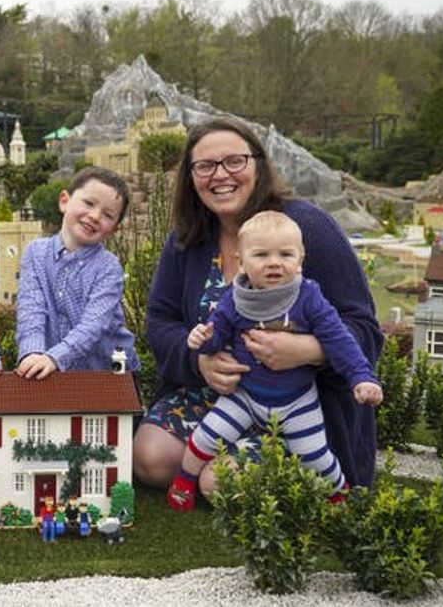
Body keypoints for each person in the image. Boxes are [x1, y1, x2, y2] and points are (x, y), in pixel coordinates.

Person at [134, 116, 382, 499]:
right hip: (221, 398)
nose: (221, 175)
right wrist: (199, 361)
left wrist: (311, 351)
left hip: (299, 403)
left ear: (258, 165)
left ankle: (301, 475)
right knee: (151, 460)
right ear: (191, 176)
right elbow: (161, 321)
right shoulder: (187, 240)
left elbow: (364, 326)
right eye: (205, 166)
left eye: (235, 161)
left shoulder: (305, 228)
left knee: (218, 481)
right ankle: (228, 468)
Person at [167, 210, 383, 511]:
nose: (274, 262)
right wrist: (202, 341)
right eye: (261, 255)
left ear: (300, 261)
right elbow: (219, 333)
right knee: (205, 437)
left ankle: (339, 494)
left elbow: (339, 340)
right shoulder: (236, 297)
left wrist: (361, 376)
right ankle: (184, 481)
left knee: (316, 456)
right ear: (241, 262)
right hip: (245, 395)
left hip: (296, 401)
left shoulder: (308, 297)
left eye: (285, 254)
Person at [15, 166, 139, 380]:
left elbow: (93, 325)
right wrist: (32, 353)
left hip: (108, 373)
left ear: (115, 229)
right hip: (52, 373)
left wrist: (55, 358)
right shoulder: (35, 253)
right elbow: (31, 309)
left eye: (108, 215)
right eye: (89, 203)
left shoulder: (108, 268)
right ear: (64, 201)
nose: (94, 216)